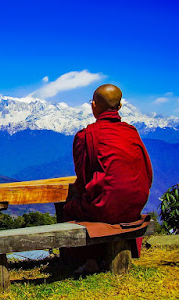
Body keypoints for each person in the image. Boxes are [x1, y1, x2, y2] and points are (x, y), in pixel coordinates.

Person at [62, 84, 153, 272]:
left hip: (105, 206)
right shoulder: (132, 132)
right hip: (136, 204)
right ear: (119, 107)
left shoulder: (85, 135)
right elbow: (147, 172)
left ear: (93, 105)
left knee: (71, 209)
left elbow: (84, 178)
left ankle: (88, 260)